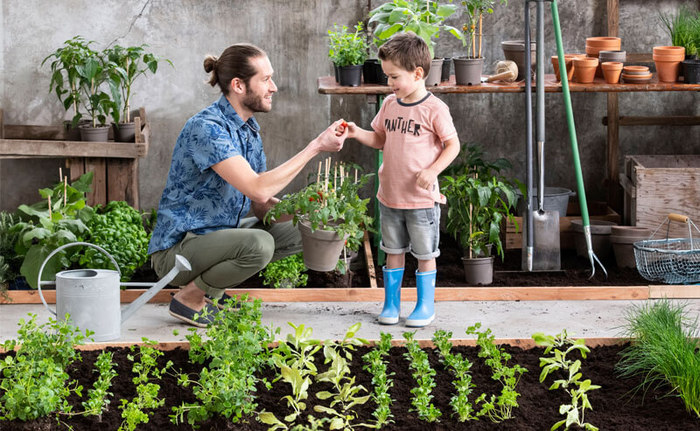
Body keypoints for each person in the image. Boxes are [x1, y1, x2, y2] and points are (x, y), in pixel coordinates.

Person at [148, 43, 348, 327]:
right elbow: (257, 187)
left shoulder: (249, 132)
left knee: (304, 229)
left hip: (217, 238)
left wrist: (307, 207)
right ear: (239, 85)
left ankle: (211, 292)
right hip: (179, 252)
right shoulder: (207, 128)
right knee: (259, 243)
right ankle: (190, 298)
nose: (274, 87)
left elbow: (262, 206)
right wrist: (315, 146)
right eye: (265, 79)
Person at [343, 32, 460, 327]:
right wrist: (357, 132)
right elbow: (381, 139)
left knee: (424, 254)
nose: (389, 84)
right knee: (392, 253)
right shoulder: (390, 105)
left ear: (417, 73)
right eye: (387, 77)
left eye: (394, 77)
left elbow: (453, 145)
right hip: (390, 197)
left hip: (420, 200)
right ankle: (391, 304)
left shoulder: (434, 109)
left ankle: (424, 306)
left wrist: (433, 171)